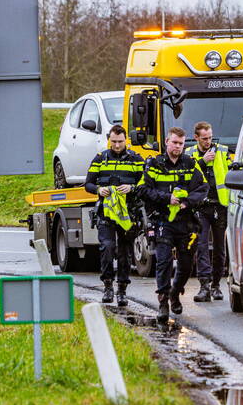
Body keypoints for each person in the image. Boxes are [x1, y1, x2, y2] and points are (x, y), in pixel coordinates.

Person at [138, 127, 206, 323]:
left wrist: (187, 202)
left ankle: (175, 292)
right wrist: (167, 198)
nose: (178, 147)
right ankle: (163, 302)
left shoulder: (190, 164)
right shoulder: (154, 164)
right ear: (167, 141)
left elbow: (203, 188)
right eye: (175, 143)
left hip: (186, 222)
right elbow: (142, 189)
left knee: (186, 265)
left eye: (181, 144)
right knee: (163, 261)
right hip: (163, 220)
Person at [84, 124, 144, 307]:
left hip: (128, 213)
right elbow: (88, 184)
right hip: (106, 212)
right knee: (107, 247)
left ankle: (122, 290)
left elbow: (146, 184)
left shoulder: (136, 159)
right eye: (113, 141)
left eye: (120, 141)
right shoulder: (100, 158)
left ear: (126, 140)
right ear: (109, 140)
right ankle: (108, 286)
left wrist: (132, 188)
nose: (117, 145)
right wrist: (99, 189)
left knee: (125, 253)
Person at [186, 121, 232, 302]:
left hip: (220, 205)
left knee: (220, 248)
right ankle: (204, 286)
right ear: (196, 138)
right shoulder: (189, 154)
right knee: (202, 246)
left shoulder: (222, 151)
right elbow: (187, 173)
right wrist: (202, 162)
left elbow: (233, 171)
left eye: (210, 138)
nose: (208, 141)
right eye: (204, 138)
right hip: (200, 206)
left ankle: (216, 286)